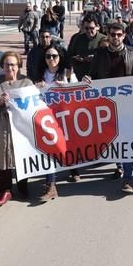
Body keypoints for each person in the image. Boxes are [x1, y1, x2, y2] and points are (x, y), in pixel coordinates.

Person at [86, 22, 133, 193]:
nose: (116, 38)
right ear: (108, 35)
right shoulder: (99, 54)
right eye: (112, 34)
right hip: (107, 106)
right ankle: (119, 165)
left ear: (124, 36)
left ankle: (128, 178)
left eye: (119, 34)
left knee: (126, 140)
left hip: (128, 105)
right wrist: (88, 79)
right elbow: (93, 76)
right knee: (112, 139)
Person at [0, 51, 34, 206]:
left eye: (13, 64)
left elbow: (35, 103)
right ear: (2, 66)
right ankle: (6, 189)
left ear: (19, 66)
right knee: (4, 158)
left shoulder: (26, 83)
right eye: (6, 64)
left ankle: (22, 185)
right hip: (3, 126)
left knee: (21, 157)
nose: (10, 68)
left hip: (22, 128)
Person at [33, 45, 78, 201]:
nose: (51, 59)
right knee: (50, 149)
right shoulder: (40, 75)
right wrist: (36, 88)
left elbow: (79, 91)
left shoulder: (68, 73)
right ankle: (51, 185)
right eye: (48, 56)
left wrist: (67, 86)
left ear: (60, 57)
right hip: (47, 118)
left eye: (54, 56)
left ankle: (73, 169)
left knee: (67, 146)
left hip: (65, 116)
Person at [67, 15, 106, 81]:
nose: (89, 31)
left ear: (97, 27)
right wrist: (76, 59)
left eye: (91, 28)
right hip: (81, 77)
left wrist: (95, 58)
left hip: (98, 78)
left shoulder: (103, 39)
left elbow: (107, 59)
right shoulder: (78, 38)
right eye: (86, 28)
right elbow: (69, 55)